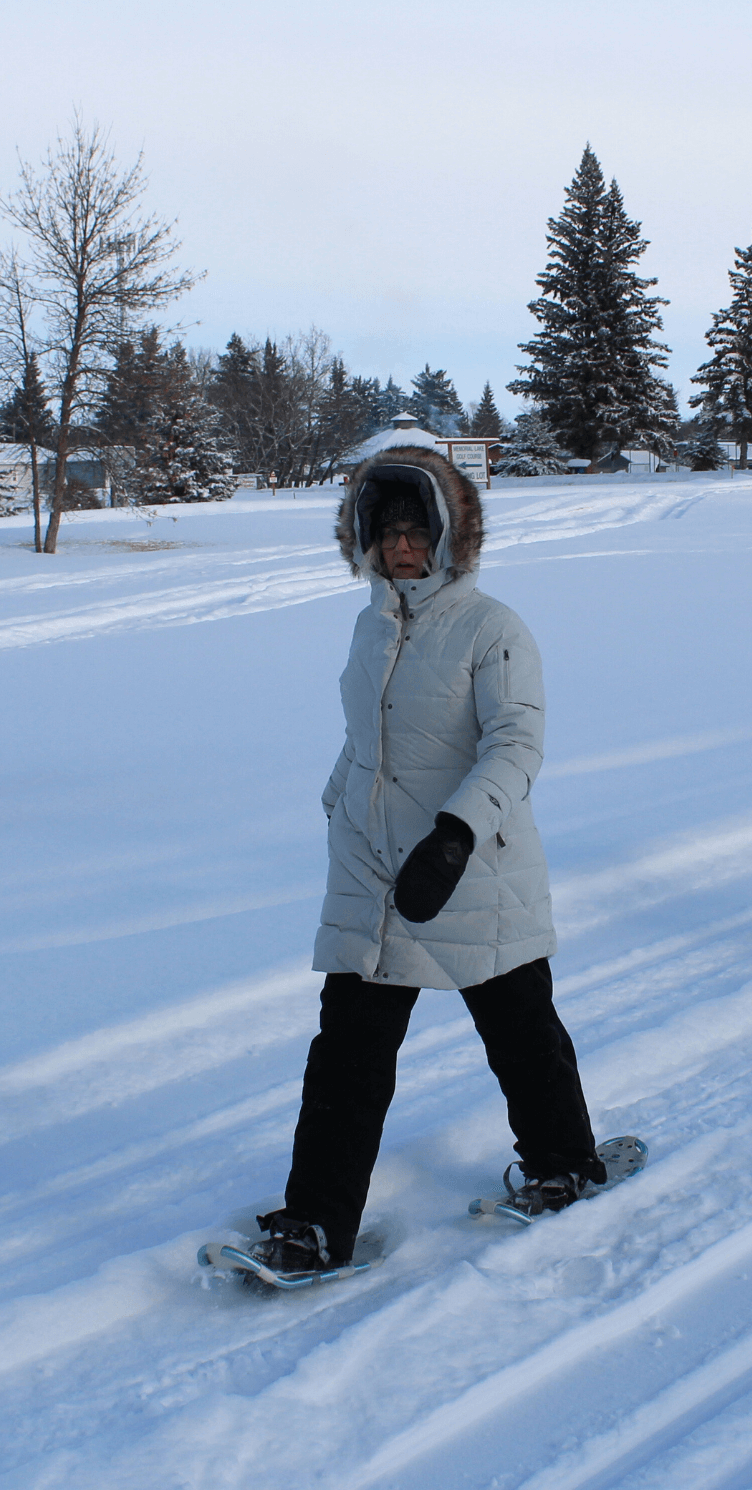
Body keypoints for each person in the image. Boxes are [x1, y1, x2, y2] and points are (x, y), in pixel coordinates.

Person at [250, 445, 607, 1273]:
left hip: (470, 868)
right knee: (347, 1052)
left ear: (450, 538)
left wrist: (454, 836)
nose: (402, 548)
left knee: (521, 1034)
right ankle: (315, 1222)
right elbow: (366, 737)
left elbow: (515, 746)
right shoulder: (370, 625)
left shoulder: (493, 628)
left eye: (417, 532)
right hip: (373, 872)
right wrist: (338, 798)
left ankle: (563, 1163)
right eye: (387, 533)